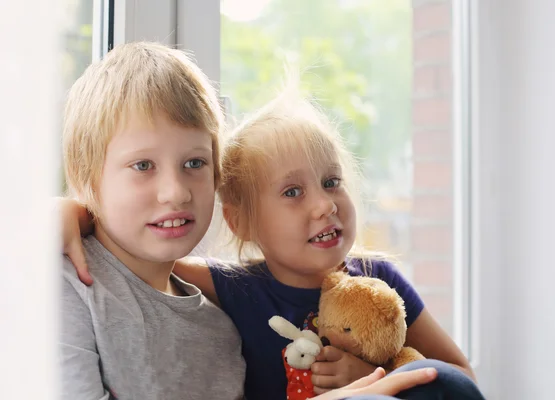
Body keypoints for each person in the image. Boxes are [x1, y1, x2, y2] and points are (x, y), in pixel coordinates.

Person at [60, 85, 485, 399]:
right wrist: (72, 211)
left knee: (440, 381)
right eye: (292, 192)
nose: (324, 206)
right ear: (241, 221)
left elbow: (460, 374)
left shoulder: (379, 279)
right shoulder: (238, 286)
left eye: (332, 182)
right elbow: (140, 252)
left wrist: (373, 371)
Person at [58, 41, 246, 399]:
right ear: (86, 177)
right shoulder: (64, 285)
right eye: (143, 166)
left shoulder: (221, 331)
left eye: (194, 163)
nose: (175, 192)